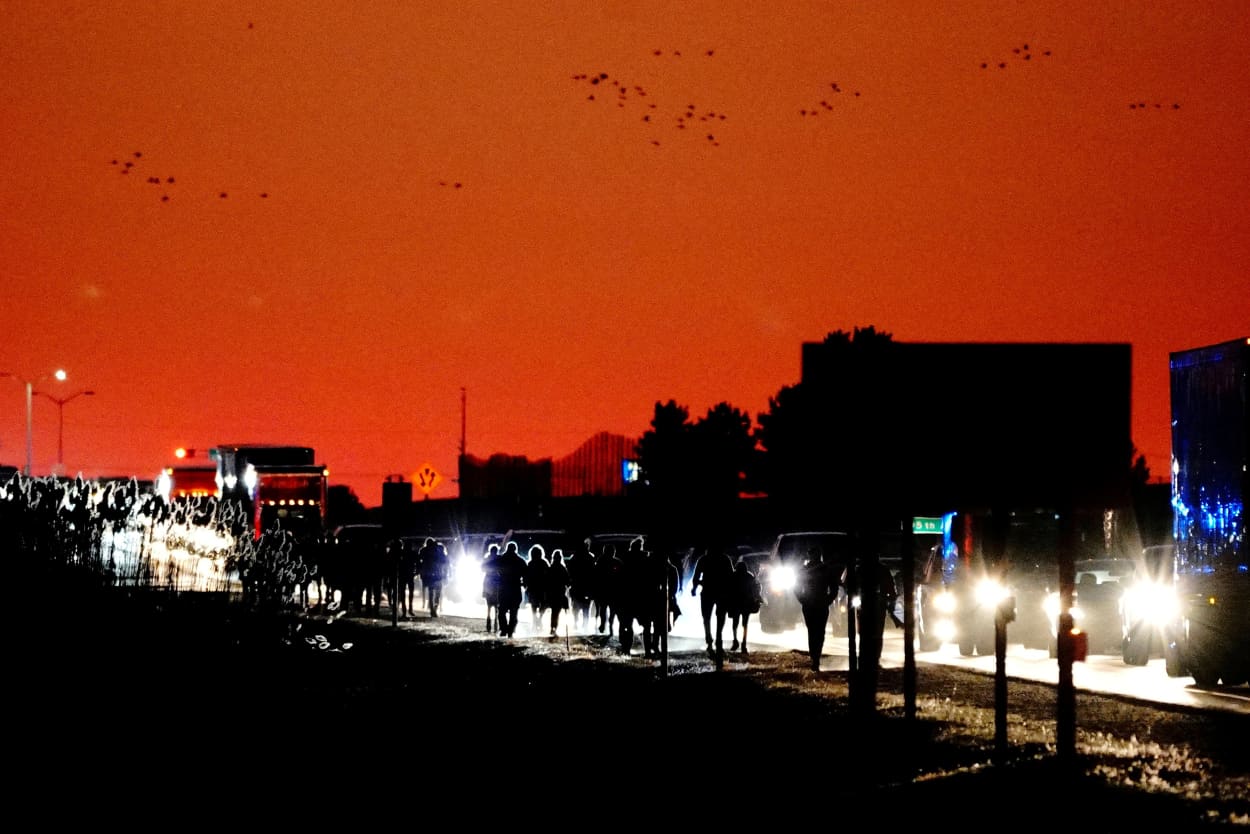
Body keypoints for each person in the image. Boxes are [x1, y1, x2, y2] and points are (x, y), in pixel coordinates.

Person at [795, 544, 839, 671]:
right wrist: (802, 599)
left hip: (818, 603)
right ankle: (815, 657)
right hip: (811, 604)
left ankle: (816, 657)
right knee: (815, 631)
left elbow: (834, 587)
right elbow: (797, 587)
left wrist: (828, 599)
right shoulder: (809, 570)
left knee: (817, 632)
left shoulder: (825, 569)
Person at [690, 544, 735, 657]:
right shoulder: (725, 559)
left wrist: (695, 588)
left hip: (708, 592)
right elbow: (731, 577)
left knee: (707, 618)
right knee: (720, 617)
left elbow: (696, 576)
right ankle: (717, 639)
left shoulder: (704, 559)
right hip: (721, 593)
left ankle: (710, 641)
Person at [726, 557, 763, 655]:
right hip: (746, 603)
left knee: (735, 623)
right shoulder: (749, 576)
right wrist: (758, 598)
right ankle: (743, 644)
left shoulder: (733, 576)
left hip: (736, 604)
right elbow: (756, 588)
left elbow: (728, 589)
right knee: (744, 624)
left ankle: (736, 642)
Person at [496, 540, 527, 637]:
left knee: (502, 610)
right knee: (514, 611)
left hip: (504, 587)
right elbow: (525, 573)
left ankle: (504, 629)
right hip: (515, 587)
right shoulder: (520, 560)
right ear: (515, 549)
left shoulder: (502, 559)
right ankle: (511, 630)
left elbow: (496, 569)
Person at [418, 537, 451, 618]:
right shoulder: (438, 550)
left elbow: (419, 560)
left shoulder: (424, 550)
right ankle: (434, 608)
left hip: (429, 573)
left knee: (431, 592)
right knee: (437, 592)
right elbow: (445, 561)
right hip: (438, 573)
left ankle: (433, 609)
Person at [545, 548, 572, 638]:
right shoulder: (562, 568)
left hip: (552, 592)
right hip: (559, 592)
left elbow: (547, 581)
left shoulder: (551, 568)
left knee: (554, 611)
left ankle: (552, 627)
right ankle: (554, 628)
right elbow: (567, 581)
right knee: (556, 611)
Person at [481, 542, 502, 633]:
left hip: (489, 581)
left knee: (489, 604)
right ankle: (496, 622)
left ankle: (489, 621)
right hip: (496, 581)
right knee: (497, 603)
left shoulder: (487, 559)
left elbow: (482, 569)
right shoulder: (499, 559)